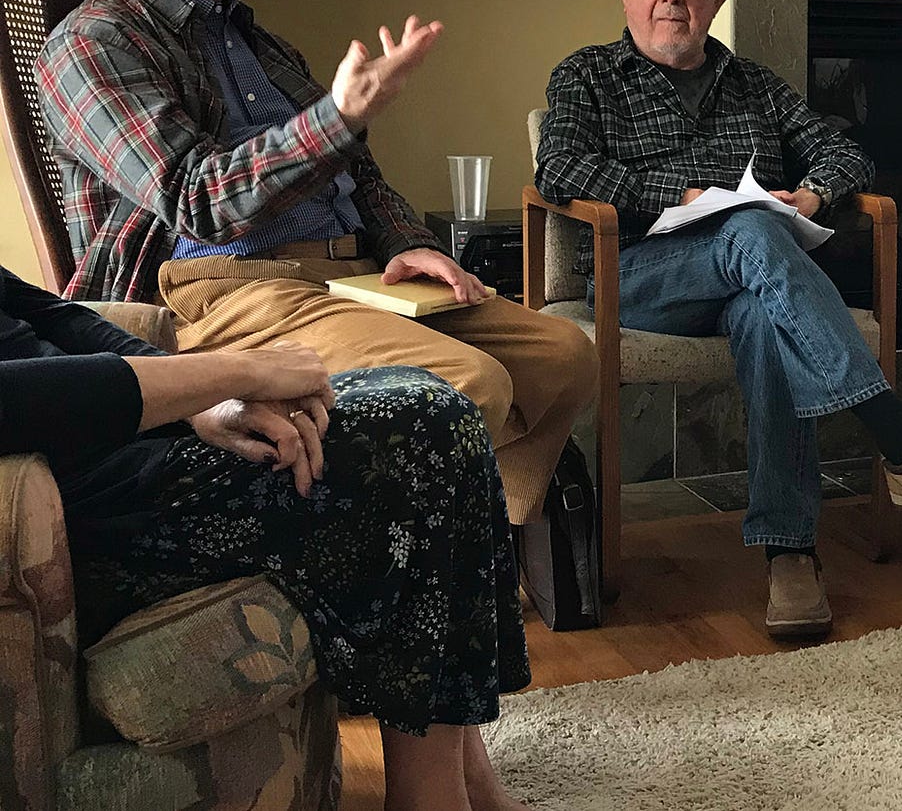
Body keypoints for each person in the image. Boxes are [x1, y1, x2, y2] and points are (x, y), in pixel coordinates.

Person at [36, 0, 596, 525]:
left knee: (564, 354)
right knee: (466, 383)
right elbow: (196, 198)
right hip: (220, 293)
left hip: (348, 278)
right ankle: (393, 554)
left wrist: (403, 241)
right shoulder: (92, 44)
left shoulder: (258, 42)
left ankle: (480, 540)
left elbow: (354, 165)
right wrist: (336, 116)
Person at [534, 0, 902, 639]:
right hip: (637, 277)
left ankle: (789, 552)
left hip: (749, 282)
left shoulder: (754, 83)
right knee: (751, 229)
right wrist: (681, 195)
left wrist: (814, 193)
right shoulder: (587, 75)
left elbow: (846, 154)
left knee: (765, 310)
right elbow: (559, 166)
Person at [0, 266, 531, 811]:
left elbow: (54, 317)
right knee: (421, 426)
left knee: (431, 400)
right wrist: (232, 372)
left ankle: (466, 782)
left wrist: (198, 404)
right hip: (60, 501)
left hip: (138, 433)